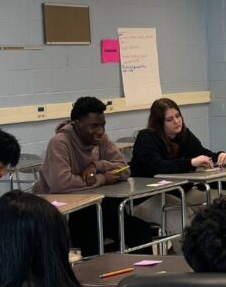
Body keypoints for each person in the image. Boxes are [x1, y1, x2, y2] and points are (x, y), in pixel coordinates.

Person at [34, 96, 152, 255]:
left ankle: (143, 275)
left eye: (103, 125)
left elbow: (124, 169)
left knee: (140, 231)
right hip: (63, 213)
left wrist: (96, 165)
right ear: (76, 124)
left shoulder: (102, 139)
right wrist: (103, 178)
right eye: (94, 126)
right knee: (91, 236)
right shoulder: (60, 142)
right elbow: (60, 183)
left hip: (94, 206)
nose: (100, 131)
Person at [129, 98, 226, 241]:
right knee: (184, 220)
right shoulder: (146, 137)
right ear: (159, 123)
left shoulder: (184, 135)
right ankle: (186, 260)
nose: (177, 121)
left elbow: (202, 152)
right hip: (148, 197)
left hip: (181, 191)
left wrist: (219, 156)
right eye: (170, 119)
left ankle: (216, 253)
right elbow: (158, 167)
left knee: (216, 209)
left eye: (178, 116)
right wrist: (190, 162)